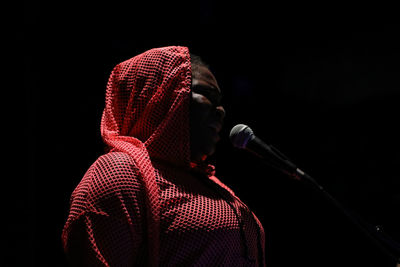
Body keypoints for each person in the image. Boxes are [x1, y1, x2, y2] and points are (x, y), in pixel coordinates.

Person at [62, 46, 265, 266]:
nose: (221, 111)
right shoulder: (120, 173)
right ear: (158, 95)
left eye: (220, 101)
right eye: (207, 95)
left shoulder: (209, 182)